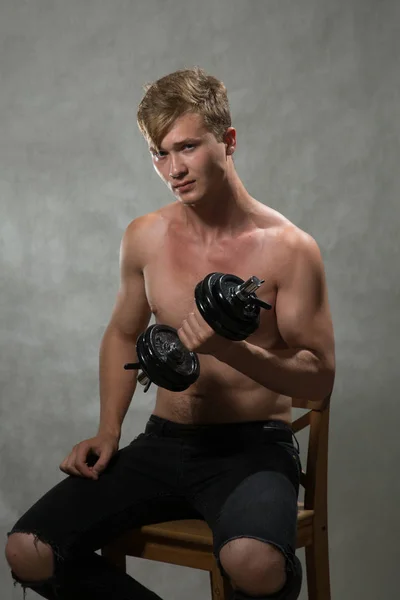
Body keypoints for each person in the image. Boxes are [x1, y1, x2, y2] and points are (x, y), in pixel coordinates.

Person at [5, 66, 335, 600]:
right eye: (159, 154)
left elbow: (318, 380)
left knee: (253, 562)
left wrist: (232, 348)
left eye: (186, 148)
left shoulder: (290, 249)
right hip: (162, 445)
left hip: (252, 450)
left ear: (227, 141)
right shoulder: (145, 237)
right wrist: (108, 430)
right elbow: (120, 334)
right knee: (29, 549)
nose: (173, 169)